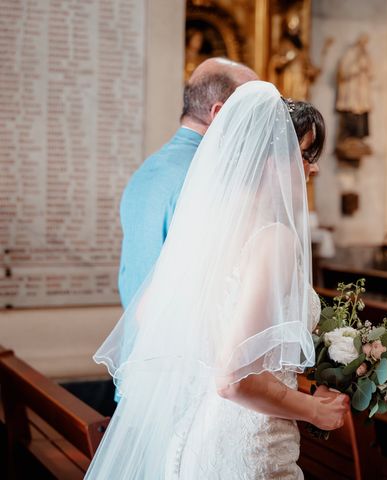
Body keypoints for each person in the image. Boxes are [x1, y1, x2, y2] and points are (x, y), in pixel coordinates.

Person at [86, 82, 348, 479]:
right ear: (267, 160)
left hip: (199, 428)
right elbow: (233, 380)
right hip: (248, 445)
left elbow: (146, 313)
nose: (312, 167)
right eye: (304, 154)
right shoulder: (272, 238)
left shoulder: (207, 229)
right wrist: (316, 410)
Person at [118, 58, 258, 309]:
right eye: (254, 112)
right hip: (179, 340)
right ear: (218, 113)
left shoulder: (146, 170)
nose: (261, 125)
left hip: (135, 337)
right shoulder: (211, 180)